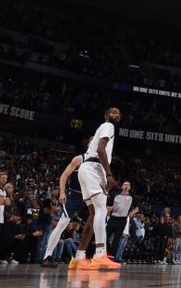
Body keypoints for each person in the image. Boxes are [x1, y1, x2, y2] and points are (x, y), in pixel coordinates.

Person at [71, 107, 122, 270]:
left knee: (93, 215)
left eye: (119, 114)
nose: (117, 115)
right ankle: (100, 254)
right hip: (94, 168)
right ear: (106, 115)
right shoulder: (108, 126)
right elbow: (101, 149)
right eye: (114, 112)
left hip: (85, 170)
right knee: (101, 211)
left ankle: (79, 257)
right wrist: (108, 174)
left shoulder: (102, 128)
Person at [40, 150, 89, 267]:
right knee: (61, 224)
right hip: (75, 195)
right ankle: (47, 256)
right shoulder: (79, 159)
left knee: (92, 226)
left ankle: (81, 257)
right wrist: (62, 192)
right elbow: (64, 175)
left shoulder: (100, 162)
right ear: (89, 144)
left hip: (89, 196)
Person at [106, 181, 134, 263]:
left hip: (122, 220)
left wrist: (132, 212)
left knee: (116, 239)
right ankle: (106, 252)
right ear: (122, 186)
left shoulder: (132, 197)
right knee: (105, 236)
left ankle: (111, 256)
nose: (126, 186)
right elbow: (108, 206)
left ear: (130, 188)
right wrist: (112, 208)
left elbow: (137, 207)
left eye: (128, 185)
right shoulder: (116, 195)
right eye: (124, 184)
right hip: (113, 218)